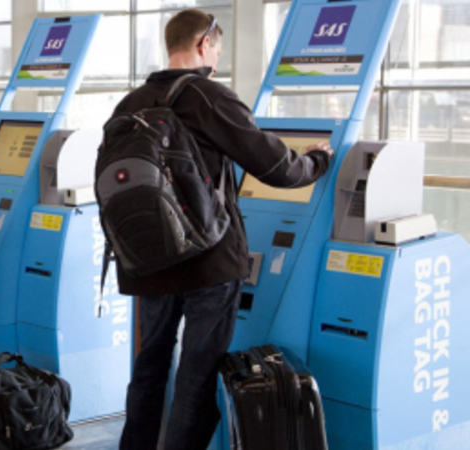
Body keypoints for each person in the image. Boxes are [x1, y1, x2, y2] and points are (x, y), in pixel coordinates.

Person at [110, 9, 333, 450]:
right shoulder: (209, 97)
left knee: (149, 368)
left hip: (146, 259)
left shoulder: (131, 103)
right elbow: (275, 166)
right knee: (196, 376)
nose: (217, 57)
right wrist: (317, 161)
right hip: (208, 261)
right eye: (217, 48)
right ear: (204, 44)